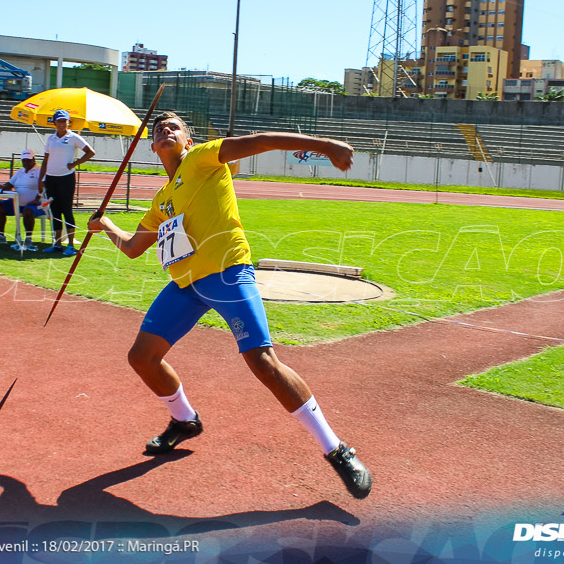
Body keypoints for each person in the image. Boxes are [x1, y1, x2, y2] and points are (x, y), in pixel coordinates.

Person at [87, 111, 372, 499]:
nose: (166, 131)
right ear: (154, 148)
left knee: (264, 363)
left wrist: (322, 145)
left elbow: (260, 141)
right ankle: (185, 420)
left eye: (175, 128)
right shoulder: (161, 200)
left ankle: (337, 449)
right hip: (186, 285)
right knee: (142, 357)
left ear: (187, 140)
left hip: (227, 274)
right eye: (159, 130)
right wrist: (105, 227)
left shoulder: (203, 158)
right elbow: (136, 248)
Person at [38, 109, 95, 256]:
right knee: (55, 211)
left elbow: (90, 152)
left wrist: (74, 164)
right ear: (55, 122)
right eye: (59, 121)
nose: (62, 123)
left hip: (66, 178)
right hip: (51, 178)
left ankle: (70, 245)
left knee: (67, 210)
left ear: (68, 122)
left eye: (64, 121)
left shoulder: (73, 137)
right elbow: (45, 160)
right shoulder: (51, 139)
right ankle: (57, 244)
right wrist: (41, 179)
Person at [0, 149, 42, 251]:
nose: (25, 163)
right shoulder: (20, 171)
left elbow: (45, 187)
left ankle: (28, 239)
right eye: (24, 161)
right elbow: (10, 184)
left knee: (28, 211)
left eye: (28, 160)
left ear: (33, 160)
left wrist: (37, 199)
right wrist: (2, 187)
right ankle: (1, 235)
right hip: (17, 203)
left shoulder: (40, 171)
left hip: (38, 204)